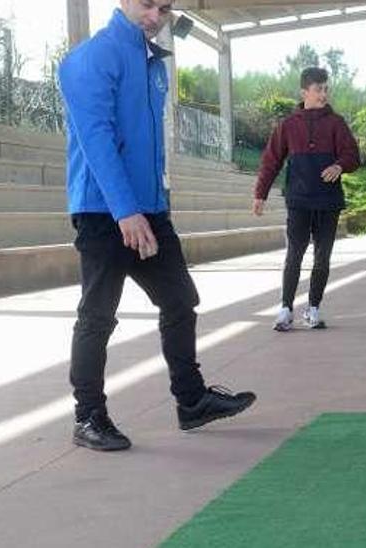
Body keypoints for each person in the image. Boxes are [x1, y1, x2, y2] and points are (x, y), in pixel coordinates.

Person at [58, 0, 255, 452]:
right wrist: (125, 211)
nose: (155, 16)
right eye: (148, 4)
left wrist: (152, 205)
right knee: (98, 315)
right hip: (102, 210)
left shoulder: (152, 61)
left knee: (180, 299)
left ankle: (191, 401)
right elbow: (97, 140)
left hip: (148, 208)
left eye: (165, 8)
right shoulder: (91, 58)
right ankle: (88, 417)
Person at [253, 67, 361, 332]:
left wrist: (339, 166)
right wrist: (260, 194)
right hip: (299, 201)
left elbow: (353, 156)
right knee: (294, 255)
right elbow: (271, 161)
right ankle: (286, 309)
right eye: (318, 89)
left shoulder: (336, 123)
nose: (324, 94)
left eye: (326, 89)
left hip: (328, 202)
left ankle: (313, 309)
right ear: (305, 92)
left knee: (322, 257)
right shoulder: (288, 125)